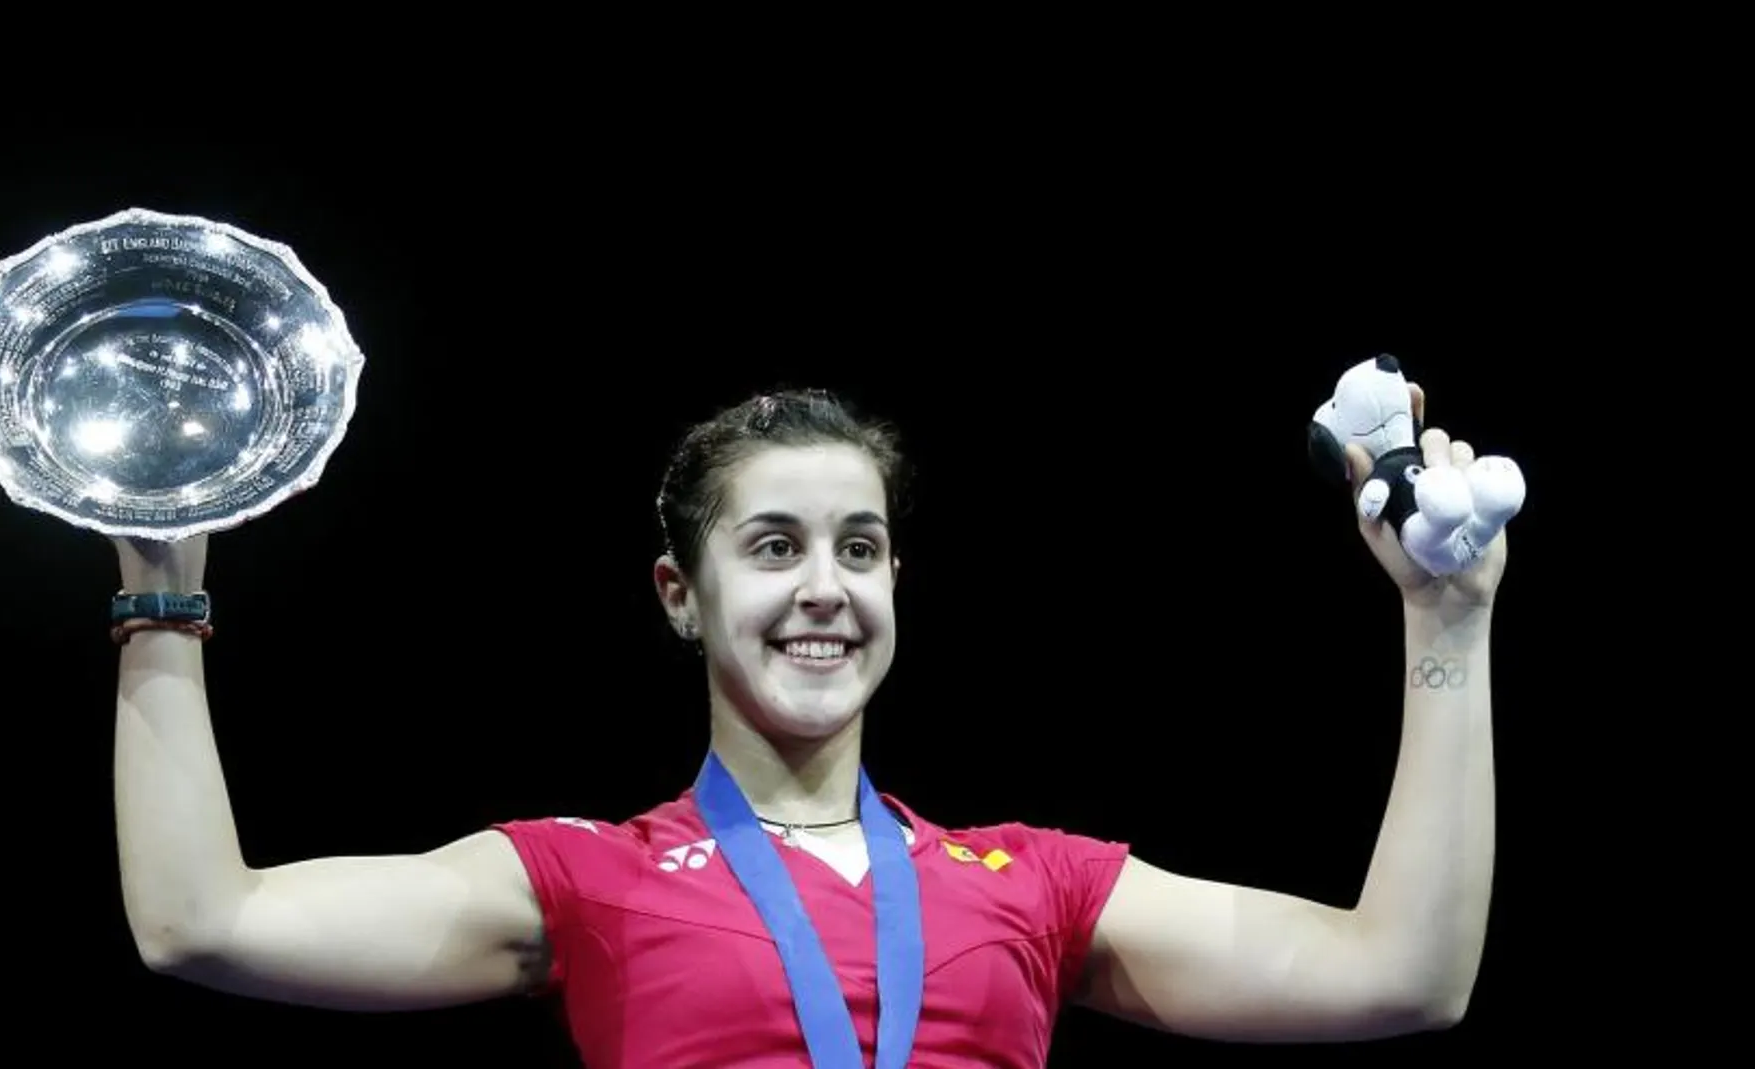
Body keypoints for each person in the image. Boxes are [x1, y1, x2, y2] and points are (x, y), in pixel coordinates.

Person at [110, 387, 1500, 1067]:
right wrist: (162, 597)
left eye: (861, 547)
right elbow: (202, 922)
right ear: (681, 593)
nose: (824, 588)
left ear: (899, 581)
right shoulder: (580, 875)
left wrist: (1448, 628)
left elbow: (1402, 977)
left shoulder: (1040, 883)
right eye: (772, 546)